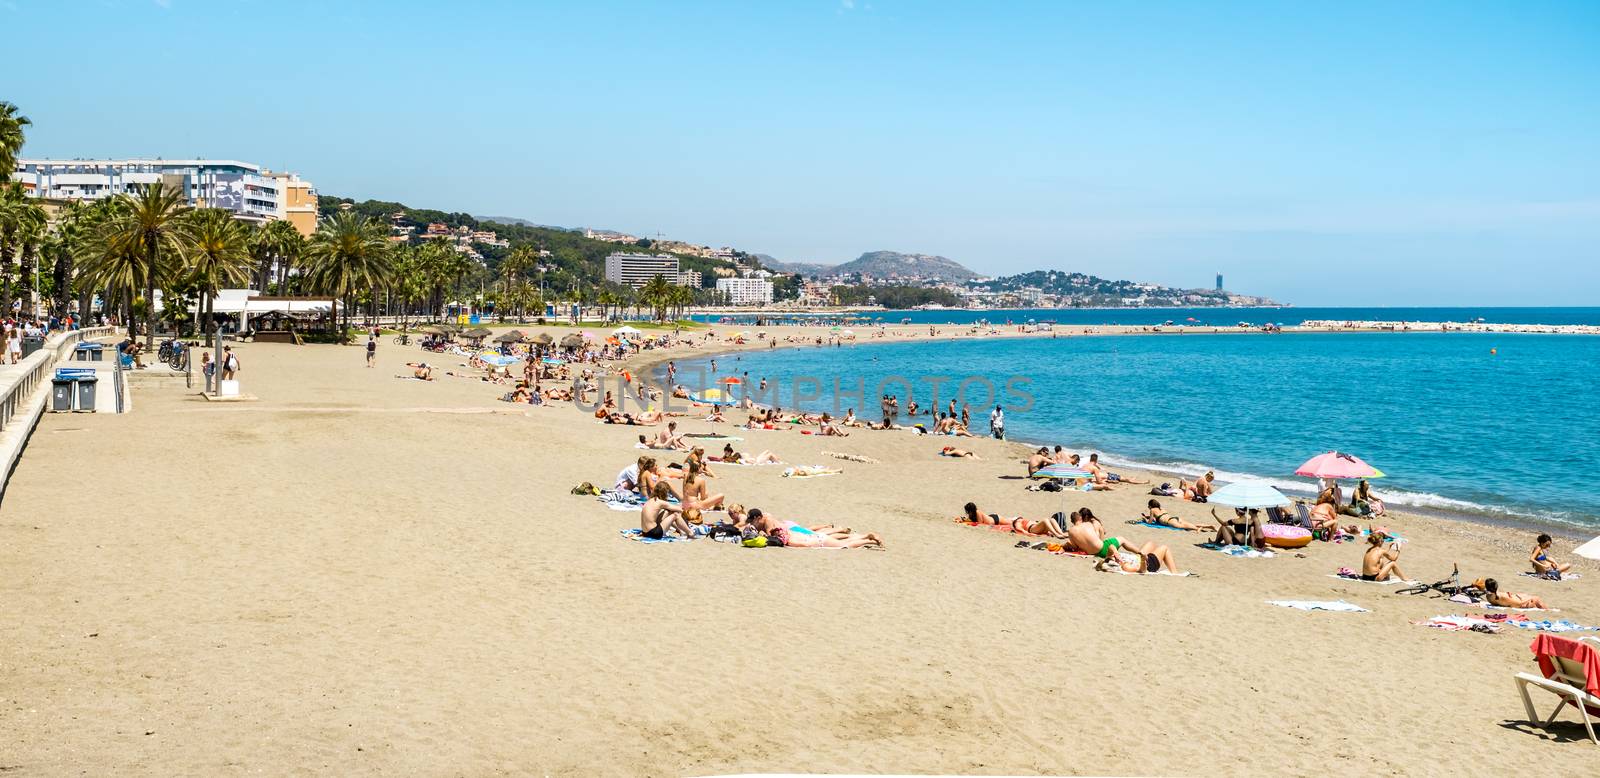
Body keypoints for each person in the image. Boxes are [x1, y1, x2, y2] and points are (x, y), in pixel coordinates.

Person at [1095, 541, 1185, 575]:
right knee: (1164, 548)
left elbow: (1111, 546)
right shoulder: (1125, 566)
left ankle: (1146, 554)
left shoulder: (1112, 558)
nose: (1114, 558)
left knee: (1150, 543)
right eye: (1113, 559)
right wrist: (1143, 559)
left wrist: (1115, 553)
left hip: (1138, 557)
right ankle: (1175, 573)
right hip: (1149, 564)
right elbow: (1142, 570)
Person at [1142, 499, 1214, 531]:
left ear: (1150, 506)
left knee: (1186, 527)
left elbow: (1150, 522)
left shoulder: (1152, 510)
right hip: (1175, 518)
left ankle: (1198, 529)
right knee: (1190, 524)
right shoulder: (1161, 509)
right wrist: (1147, 516)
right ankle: (1209, 526)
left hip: (1170, 522)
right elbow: (1159, 517)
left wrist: (1145, 520)